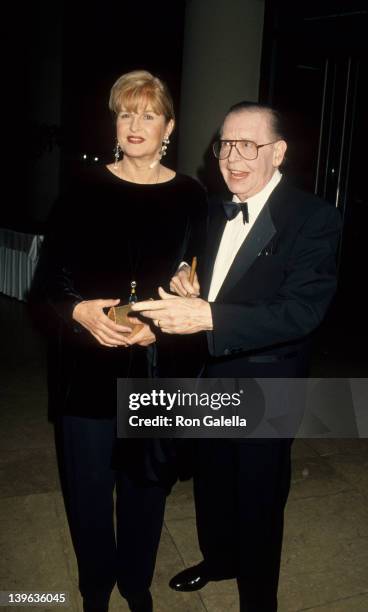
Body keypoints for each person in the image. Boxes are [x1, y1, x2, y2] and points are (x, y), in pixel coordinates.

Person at [131, 101, 342, 611]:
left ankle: (258, 598)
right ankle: (219, 559)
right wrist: (188, 277)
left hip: (268, 385)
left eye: (249, 145)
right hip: (208, 375)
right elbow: (207, 272)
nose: (233, 157)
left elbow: (302, 311)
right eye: (226, 144)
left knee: (259, 498)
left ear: (279, 152)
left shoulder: (314, 217)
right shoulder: (211, 207)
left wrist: (210, 318)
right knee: (213, 480)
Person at [30, 70, 206, 612]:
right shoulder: (83, 189)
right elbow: (46, 286)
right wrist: (80, 310)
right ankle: (95, 590)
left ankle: (135, 584)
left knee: (145, 489)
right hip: (86, 368)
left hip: (156, 365)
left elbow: (199, 276)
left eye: (148, 114)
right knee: (86, 493)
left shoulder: (191, 196)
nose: (135, 124)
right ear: (114, 123)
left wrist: (187, 287)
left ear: (168, 127)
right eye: (126, 113)